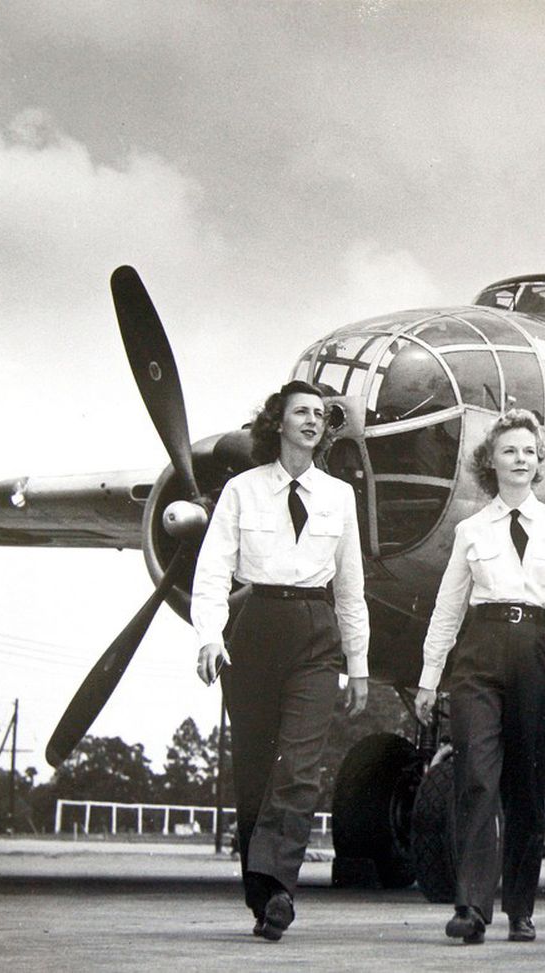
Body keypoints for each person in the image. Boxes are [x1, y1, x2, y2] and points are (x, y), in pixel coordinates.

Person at [191, 379, 369, 941]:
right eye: (302, 412)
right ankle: (260, 893)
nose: (314, 421)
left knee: (299, 764)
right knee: (255, 769)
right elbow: (214, 569)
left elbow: (351, 589)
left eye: (320, 413)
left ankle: (281, 888)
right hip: (255, 625)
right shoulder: (242, 490)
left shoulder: (339, 496)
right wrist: (210, 636)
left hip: (315, 632)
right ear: (279, 423)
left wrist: (358, 663)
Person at [414, 409, 545, 945]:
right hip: (479, 656)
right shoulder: (470, 530)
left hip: (537, 654)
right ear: (491, 461)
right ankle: (471, 906)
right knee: (476, 778)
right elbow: (447, 609)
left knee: (526, 791)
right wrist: (428, 676)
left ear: (540, 464)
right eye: (508, 450)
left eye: (528, 452)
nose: (519, 459)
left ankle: (521, 907)